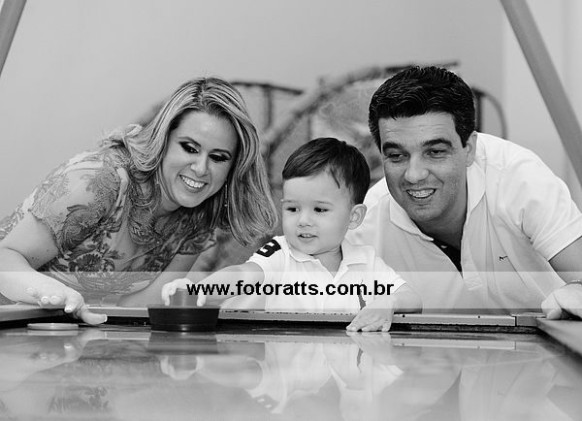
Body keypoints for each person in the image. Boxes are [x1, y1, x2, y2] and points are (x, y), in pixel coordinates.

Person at [0, 77, 278, 324]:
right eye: (190, 148)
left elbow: (139, 308)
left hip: (62, 337)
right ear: (163, 140)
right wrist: (54, 294)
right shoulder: (100, 179)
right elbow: (5, 257)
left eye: (218, 157)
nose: (201, 169)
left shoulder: (200, 216)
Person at [346, 65, 582, 318]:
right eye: (396, 155)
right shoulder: (367, 226)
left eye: (435, 152)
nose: (414, 175)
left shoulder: (518, 179)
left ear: (469, 148)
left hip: (550, 340)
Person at [162, 137, 421, 332]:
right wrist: (200, 289)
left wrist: (388, 303)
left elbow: (412, 298)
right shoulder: (280, 253)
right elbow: (243, 275)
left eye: (320, 209)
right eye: (292, 209)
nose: (303, 221)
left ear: (354, 217)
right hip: (286, 375)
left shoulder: (365, 261)